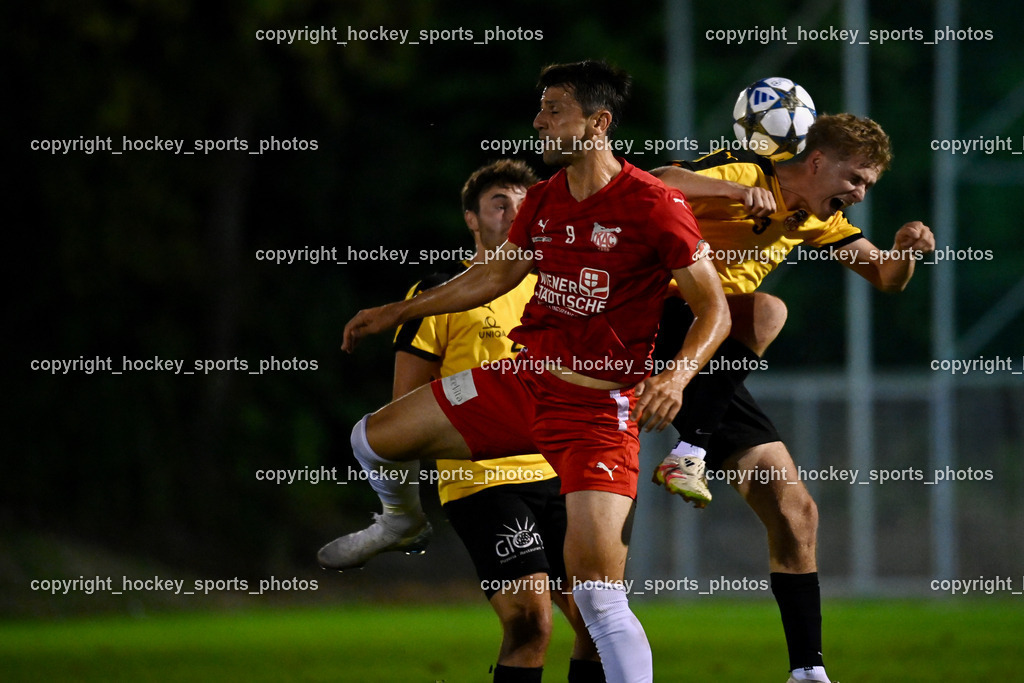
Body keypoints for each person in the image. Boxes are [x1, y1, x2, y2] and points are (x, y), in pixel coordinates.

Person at [318, 60, 731, 683]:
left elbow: (714, 310)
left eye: (553, 109)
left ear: (599, 123)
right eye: (539, 108)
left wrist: (673, 379)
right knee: (369, 439)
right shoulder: (543, 199)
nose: (538, 120)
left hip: (595, 415)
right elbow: (493, 277)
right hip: (522, 385)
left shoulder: (654, 205)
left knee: (596, 601)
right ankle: (401, 520)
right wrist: (396, 310)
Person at [649, 113, 936, 683]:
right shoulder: (749, 172)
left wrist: (908, 251)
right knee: (768, 310)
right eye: (855, 179)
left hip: (707, 358)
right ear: (816, 162)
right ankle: (689, 452)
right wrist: (736, 190)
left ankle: (808, 672)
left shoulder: (813, 218)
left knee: (793, 508)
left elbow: (884, 277)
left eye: (868, 186)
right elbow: (656, 179)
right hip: (648, 321)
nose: (859, 194)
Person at [392, 159, 603, 682]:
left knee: (600, 623)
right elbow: (405, 406)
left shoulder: (559, 288)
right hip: (482, 479)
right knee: (530, 622)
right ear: (471, 219)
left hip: (560, 472)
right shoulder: (441, 292)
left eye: (521, 202)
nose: (512, 211)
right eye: (498, 203)